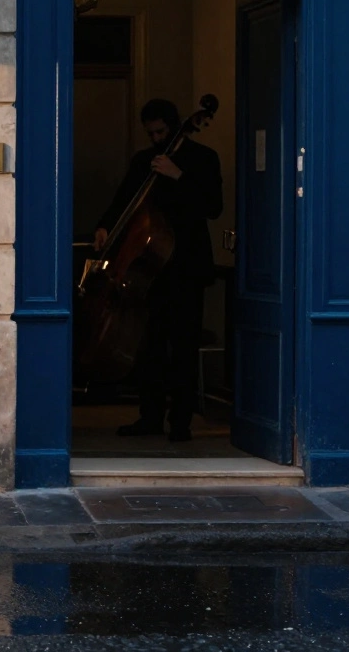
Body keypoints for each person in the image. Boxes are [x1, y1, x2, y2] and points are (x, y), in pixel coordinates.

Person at [93, 99, 223, 442]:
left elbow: (213, 206)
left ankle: (180, 423)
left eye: (161, 131)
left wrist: (178, 175)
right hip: (149, 272)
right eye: (150, 132)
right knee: (148, 347)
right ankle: (149, 418)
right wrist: (106, 226)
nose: (155, 137)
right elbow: (123, 202)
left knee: (182, 347)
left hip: (186, 268)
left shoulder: (203, 158)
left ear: (176, 125)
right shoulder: (143, 161)